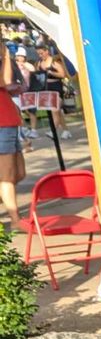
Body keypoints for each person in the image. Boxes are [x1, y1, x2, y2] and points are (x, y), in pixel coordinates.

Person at [0, 42, 25, 227]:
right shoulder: (4, 62)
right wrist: (7, 56)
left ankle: (10, 209)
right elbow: (6, 80)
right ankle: (15, 219)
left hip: (9, 122)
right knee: (7, 176)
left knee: (18, 172)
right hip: (2, 124)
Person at [34, 41, 72, 139]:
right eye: (38, 53)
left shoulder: (54, 62)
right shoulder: (39, 63)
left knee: (55, 110)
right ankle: (66, 130)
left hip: (56, 87)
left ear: (47, 51)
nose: (40, 55)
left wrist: (51, 72)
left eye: (42, 53)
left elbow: (63, 74)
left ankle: (53, 131)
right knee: (56, 111)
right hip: (46, 88)